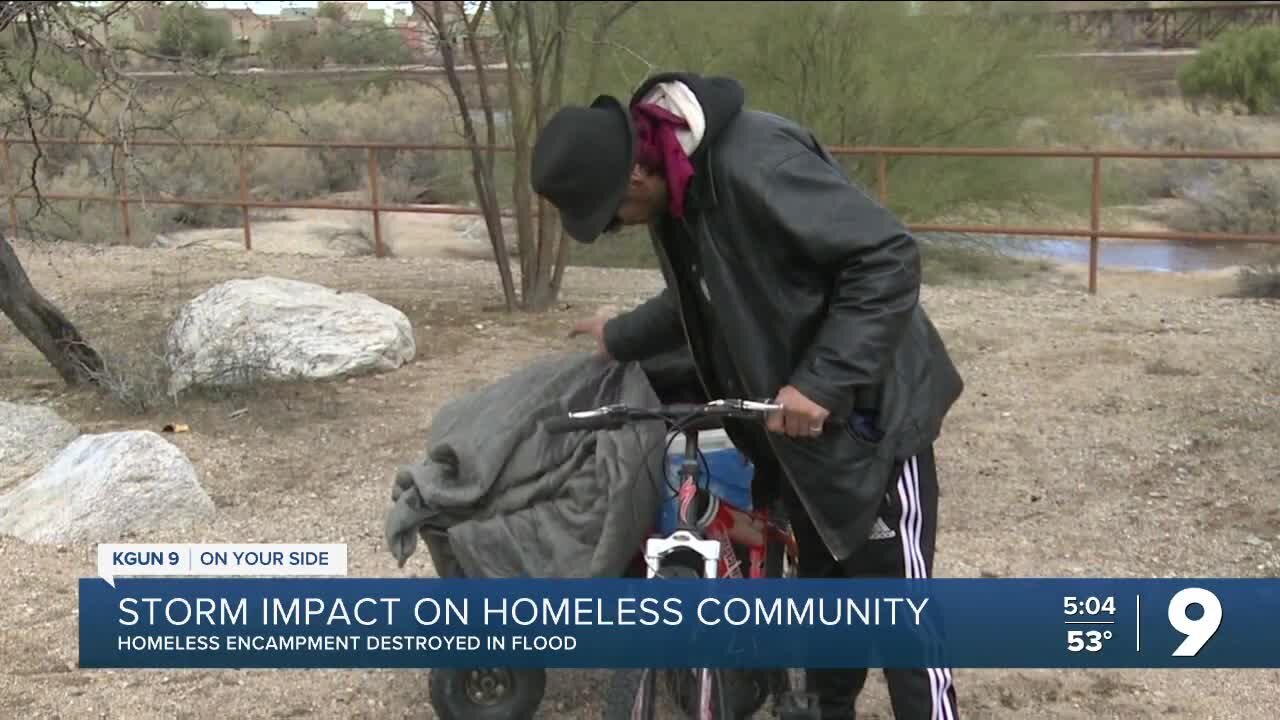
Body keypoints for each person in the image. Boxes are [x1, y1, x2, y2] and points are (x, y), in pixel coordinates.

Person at [531, 71, 965, 720]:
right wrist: (621, 336)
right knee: (826, 624)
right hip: (798, 439)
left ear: (634, 179)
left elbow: (887, 257)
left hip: (874, 420)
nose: (619, 225)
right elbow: (710, 299)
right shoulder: (679, 194)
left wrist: (821, 380)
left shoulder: (757, 164)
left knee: (900, 620)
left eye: (612, 214)